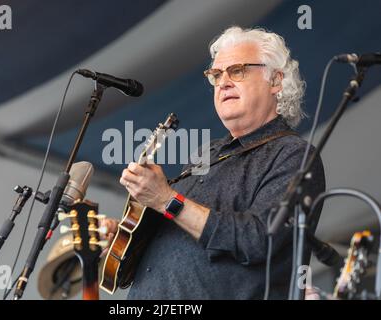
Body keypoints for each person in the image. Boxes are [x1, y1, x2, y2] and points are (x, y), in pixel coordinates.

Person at [100, 26, 325, 299]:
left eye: (237, 70)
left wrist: (166, 199)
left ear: (276, 81)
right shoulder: (207, 153)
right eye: (216, 75)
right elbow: (177, 233)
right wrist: (124, 239)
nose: (223, 82)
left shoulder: (294, 155)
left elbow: (259, 240)